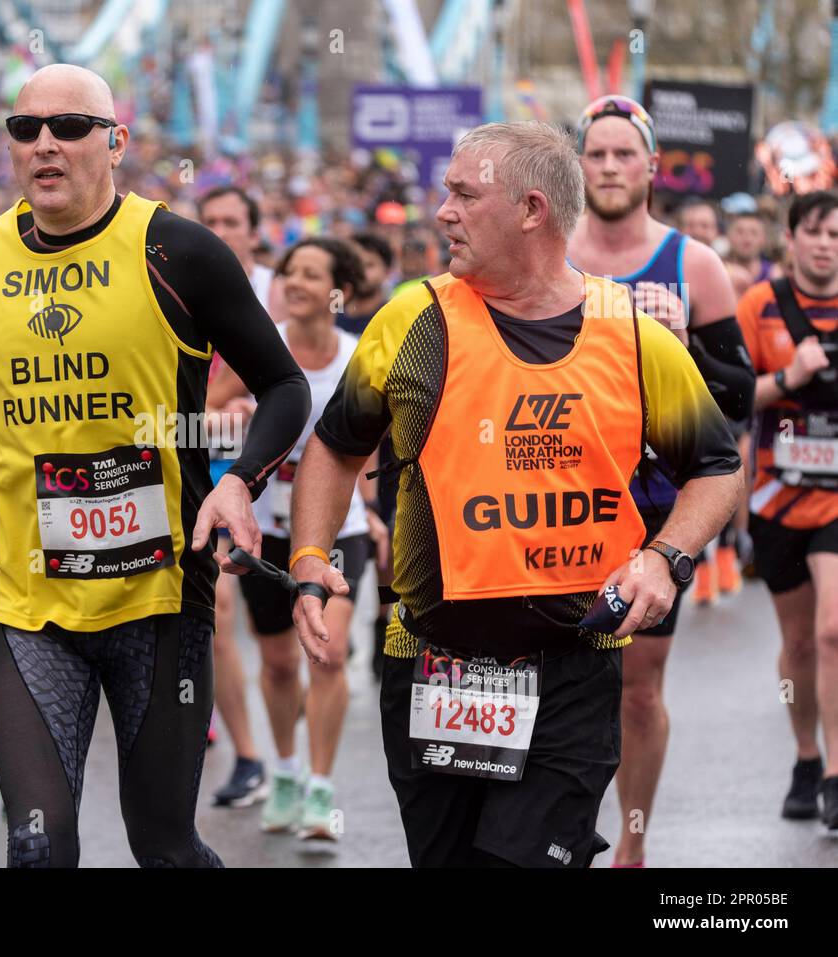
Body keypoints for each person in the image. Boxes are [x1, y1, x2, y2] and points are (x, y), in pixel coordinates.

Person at [286, 121, 742, 868]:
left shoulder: (632, 335)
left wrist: (666, 558)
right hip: (432, 663)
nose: (442, 212)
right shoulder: (412, 319)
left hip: (572, 661)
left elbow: (719, 466)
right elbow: (337, 445)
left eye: (465, 194)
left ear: (532, 209)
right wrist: (311, 554)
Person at [0, 63, 309, 867]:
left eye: (69, 126)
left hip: (159, 595)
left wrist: (239, 479)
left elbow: (284, 385)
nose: (45, 145)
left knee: (163, 845)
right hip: (30, 599)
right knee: (36, 847)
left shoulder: (178, 249)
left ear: (116, 141)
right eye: (25, 130)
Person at [566, 95, 753, 867]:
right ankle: (560, 835)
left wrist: (686, 350)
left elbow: (740, 396)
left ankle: (632, 848)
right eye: (597, 153)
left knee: (637, 688)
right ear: (578, 165)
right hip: (557, 495)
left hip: (655, 508)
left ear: (650, 168)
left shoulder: (693, 263)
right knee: (565, 687)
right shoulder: (549, 254)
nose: (609, 166)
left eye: (623, 154)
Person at [215, 236, 387, 839]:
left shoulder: (358, 356)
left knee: (329, 653)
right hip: (269, 531)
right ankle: (283, 771)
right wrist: (229, 417)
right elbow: (200, 416)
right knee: (281, 662)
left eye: (312, 275)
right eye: (289, 273)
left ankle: (320, 788)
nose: (295, 283)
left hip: (340, 530)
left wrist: (377, 512)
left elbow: (367, 449)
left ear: (339, 291)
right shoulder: (260, 352)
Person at [737, 189, 838, 831]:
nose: (827, 243)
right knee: (796, 645)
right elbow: (729, 392)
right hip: (776, 496)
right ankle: (806, 756)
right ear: (793, 238)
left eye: (837, 234)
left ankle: (835, 777)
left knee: (833, 631)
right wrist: (788, 381)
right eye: (816, 232)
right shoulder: (758, 305)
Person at [198, 184, 274, 808]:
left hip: (281, 482)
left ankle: (300, 765)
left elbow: (299, 387)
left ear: (255, 229)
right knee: (216, 612)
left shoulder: (281, 292)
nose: (221, 229)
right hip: (206, 479)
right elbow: (184, 413)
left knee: (283, 646)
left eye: (233, 220)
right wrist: (218, 413)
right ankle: (248, 758)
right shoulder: (186, 292)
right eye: (211, 221)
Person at [340, 233, 394, 336]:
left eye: (369, 265)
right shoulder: (332, 314)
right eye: (355, 263)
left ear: (387, 272)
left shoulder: (391, 319)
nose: (361, 271)